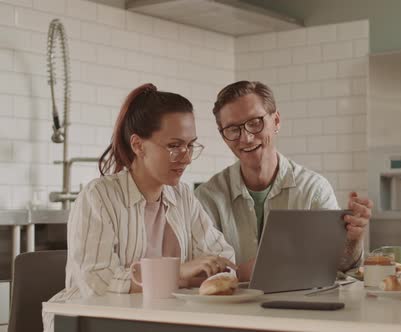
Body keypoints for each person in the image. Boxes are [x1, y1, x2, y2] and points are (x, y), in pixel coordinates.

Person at [42, 83, 236, 332]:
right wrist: (178, 273)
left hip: (159, 321)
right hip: (90, 323)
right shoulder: (99, 196)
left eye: (190, 145)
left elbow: (224, 259)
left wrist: (202, 272)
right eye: (174, 146)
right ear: (138, 145)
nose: (186, 157)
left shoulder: (183, 196)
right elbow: (98, 280)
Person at [195, 80, 373, 281]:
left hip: (300, 309)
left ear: (276, 121)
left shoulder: (314, 189)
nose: (246, 138)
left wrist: (352, 239)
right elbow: (202, 273)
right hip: (230, 311)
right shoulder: (207, 197)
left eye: (255, 123)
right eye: (233, 129)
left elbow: (339, 267)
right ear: (223, 136)